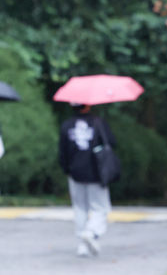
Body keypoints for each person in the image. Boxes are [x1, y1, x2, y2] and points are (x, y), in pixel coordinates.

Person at [58, 103, 116, 257]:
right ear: (88, 105)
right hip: (96, 172)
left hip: (75, 172)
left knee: (80, 208)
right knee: (100, 207)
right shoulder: (98, 122)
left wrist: (67, 170)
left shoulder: (66, 125)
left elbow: (62, 153)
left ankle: (82, 246)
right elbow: (111, 142)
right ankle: (91, 232)